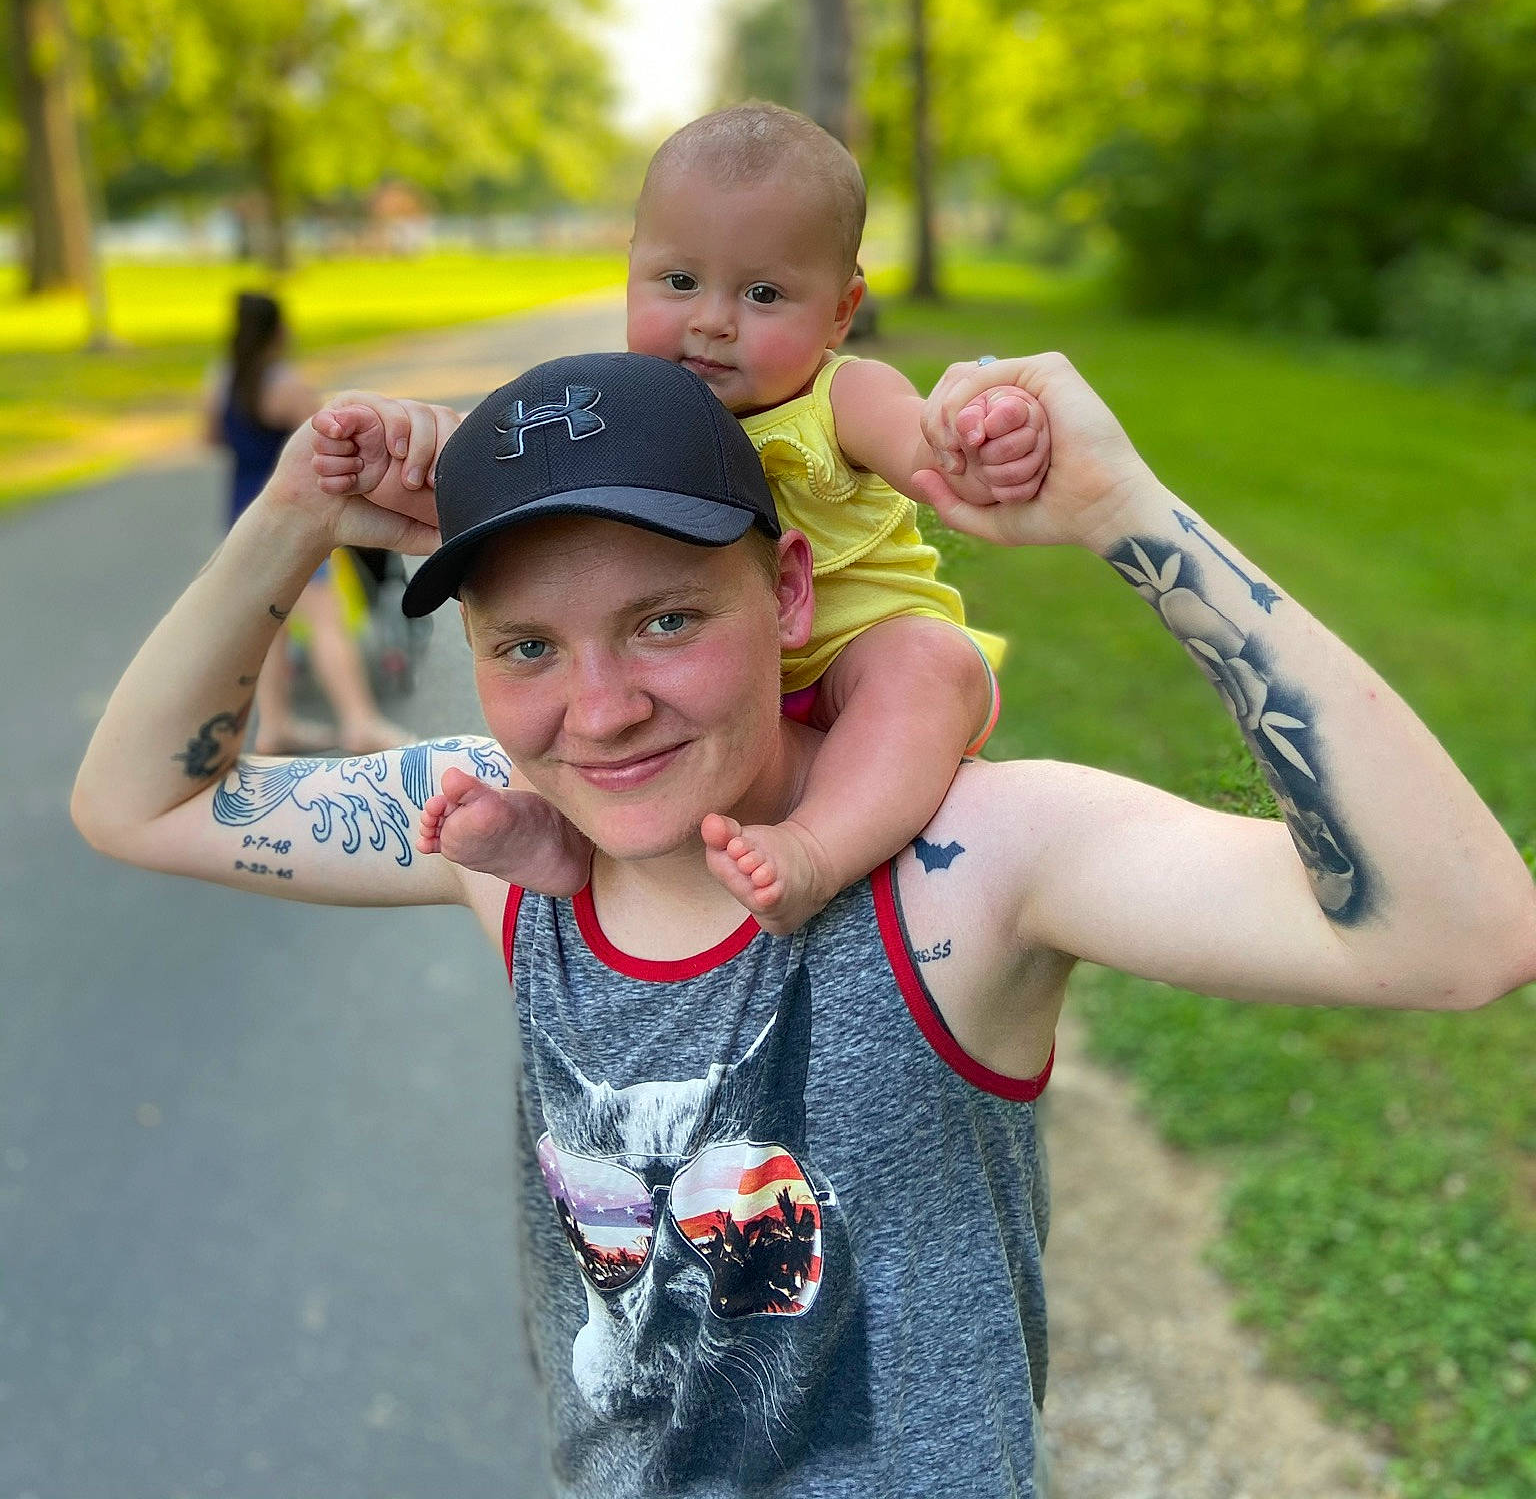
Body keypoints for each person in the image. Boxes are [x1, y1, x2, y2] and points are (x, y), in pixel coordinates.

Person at [74, 347, 1536, 1498]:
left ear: (787, 588)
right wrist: (291, 519)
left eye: (665, 620)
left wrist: (1130, 517)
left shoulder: (961, 862)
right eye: (526, 648)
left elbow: (1459, 934)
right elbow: (138, 801)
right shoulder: (502, 845)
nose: (600, 711)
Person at [313, 103, 1051, 931]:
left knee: (926, 664)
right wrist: (406, 448)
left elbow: (928, 451)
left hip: (852, 653)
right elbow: (524, 466)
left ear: (842, 311)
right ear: (631, 269)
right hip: (724, 681)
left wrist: (981, 440)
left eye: (763, 293)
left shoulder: (842, 395)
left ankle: (817, 851)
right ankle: (557, 843)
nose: (712, 319)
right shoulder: (629, 405)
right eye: (679, 281)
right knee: (573, 691)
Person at [204, 288, 409, 756]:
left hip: (240, 509)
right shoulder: (285, 384)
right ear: (278, 330)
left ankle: (274, 723)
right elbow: (327, 440)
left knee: (266, 625)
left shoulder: (222, 379)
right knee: (325, 619)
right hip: (290, 511)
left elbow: (211, 435)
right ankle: (360, 721)